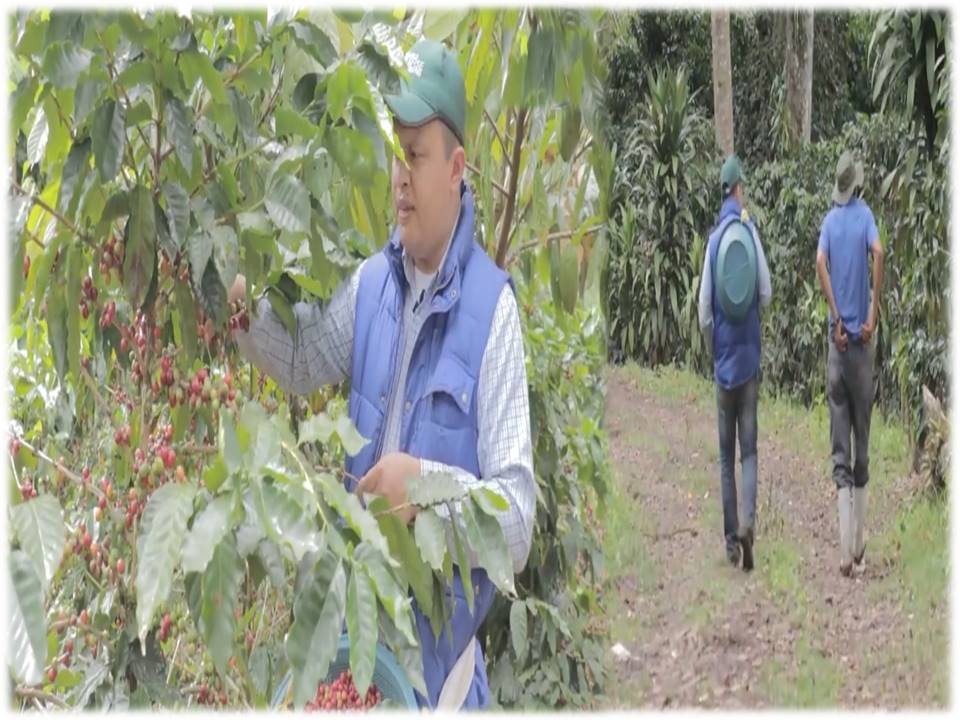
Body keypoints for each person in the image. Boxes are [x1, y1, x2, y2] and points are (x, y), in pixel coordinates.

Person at [229, 39, 535, 708]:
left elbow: (516, 525)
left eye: (417, 155)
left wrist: (421, 488)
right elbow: (306, 358)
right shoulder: (373, 283)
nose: (399, 174)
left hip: (439, 681)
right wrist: (242, 311)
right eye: (395, 152)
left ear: (456, 167)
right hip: (357, 659)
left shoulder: (494, 315)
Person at [698, 154, 772, 572]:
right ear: (739, 189)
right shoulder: (749, 233)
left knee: (726, 457)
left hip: (724, 365)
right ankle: (750, 524)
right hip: (750, 361)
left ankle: (731, 542)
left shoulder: (713, 242)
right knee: (750, 453)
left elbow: (704, 312)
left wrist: (716, 346)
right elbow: (765, 292)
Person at [815, 150, 883, 577]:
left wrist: (835, 316)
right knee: (862, 445)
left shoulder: (829, 222)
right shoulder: (865, 218)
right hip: (862, 344)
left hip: (837, 345)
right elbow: (879, 252)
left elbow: (820, 261)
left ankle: (844, 553)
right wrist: (871, 312)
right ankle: (858, 544)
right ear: (856, 184)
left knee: (839, 446)